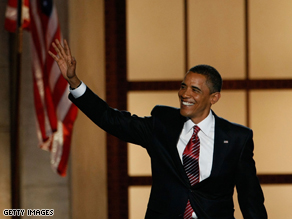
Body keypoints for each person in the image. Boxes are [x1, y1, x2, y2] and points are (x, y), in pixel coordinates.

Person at [49, 39, 267, 219]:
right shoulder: (161, 123)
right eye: (183, 86)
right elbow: (110, 119)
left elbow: (251, 200)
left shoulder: (238, 138)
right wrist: (74, 81)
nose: (184, 94)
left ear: (214, 98)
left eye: (194, 90)